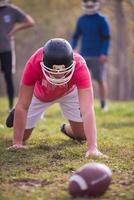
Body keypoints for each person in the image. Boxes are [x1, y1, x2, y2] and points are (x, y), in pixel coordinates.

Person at [6, 38, 107, 158]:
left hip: (69, 93)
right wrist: (17, 143)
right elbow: (23, 106)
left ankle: (65, 128)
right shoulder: (34, 62)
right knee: (23, 136)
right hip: (40, 95)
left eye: (63, 71)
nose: (59, 76)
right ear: (43, 63)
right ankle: (16, 113)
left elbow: (87, 109)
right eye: (53, 72)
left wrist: (92, 148)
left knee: (82, 135)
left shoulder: (80, 65)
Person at [71, 0, 111, 111]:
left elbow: (106, 38)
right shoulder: (81, 19)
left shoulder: (102, 20)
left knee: (100, 80)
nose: (89, 4)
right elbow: (75, 36)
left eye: (91, 2)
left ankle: (103, 104)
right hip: (83, 56)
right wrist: (72, 48)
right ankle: (81, 104)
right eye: (87, 2)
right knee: (79, 81)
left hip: (98, 56)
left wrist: (104, 53)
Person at [0, 0, 35, 111]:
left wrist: (15, 29)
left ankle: (11, 107)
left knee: (8, 76)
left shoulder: (11, 10)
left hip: (6, 49)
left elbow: (30, 22)